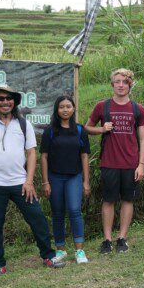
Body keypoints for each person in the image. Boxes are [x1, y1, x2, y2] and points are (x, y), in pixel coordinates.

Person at [0, 85, 65, 275]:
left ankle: (48, 255)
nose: (5, 102)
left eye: (9, 98)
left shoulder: (24, 124)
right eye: (0, 98)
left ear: (14, 101)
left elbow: (31, 153)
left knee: (37, 218)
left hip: (21, 182)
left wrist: (29, 181)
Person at [85, 69, 144, 253]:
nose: (121, 85)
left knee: (128, 200)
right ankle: (107, 240)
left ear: (130, 85)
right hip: (109, 162)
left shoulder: (138, 109)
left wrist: (141, 164)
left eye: (124, 82)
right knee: (108, 200)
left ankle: (122, 238)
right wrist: (102, 129)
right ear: (112, 84)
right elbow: (87, 128)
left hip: (131, 164)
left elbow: (143, 139)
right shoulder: (102, 107)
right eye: (117, 81)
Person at [41, 96, 92, 263]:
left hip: (74, 177)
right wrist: (45, 182)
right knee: (57, 213)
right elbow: (44, 157)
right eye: (61, 107)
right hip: (55, 177)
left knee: (75, 210)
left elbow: (84, 157)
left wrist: (86, 181)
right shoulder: (49, 131)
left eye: (68, 106)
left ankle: (79, 251)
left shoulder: (79, 130)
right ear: (57, 110)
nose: (65, 109)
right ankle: (61, 249)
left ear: (73, 108)